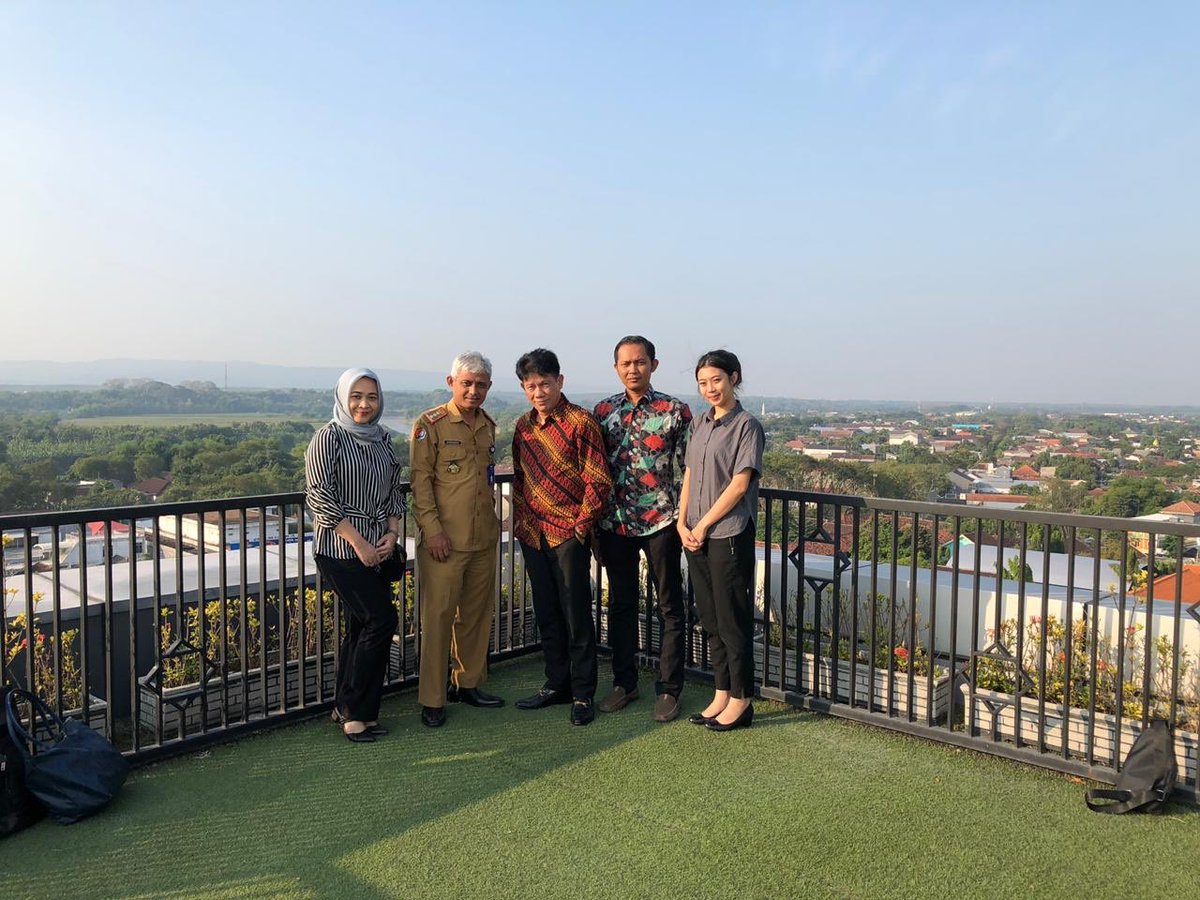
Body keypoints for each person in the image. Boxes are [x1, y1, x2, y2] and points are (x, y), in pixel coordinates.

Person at [511, 348, 613, 726]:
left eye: (545, 384)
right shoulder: (523, 427)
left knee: (575, 615)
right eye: (531, 386)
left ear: (560, 381)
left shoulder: (580, 423)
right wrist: (522, 521)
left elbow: (598, 479)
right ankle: (557, 684)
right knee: (547, 613)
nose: (539, 392)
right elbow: (520, 480)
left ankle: (583, 693)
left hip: (568, 534)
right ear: (524, 388)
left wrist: (580, 527)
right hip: (533, 533)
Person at [593, 336, 692, 723]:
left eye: (640, 362)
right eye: (625, 363)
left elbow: (687, 470)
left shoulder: (674, 411)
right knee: (620, 605)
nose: (633, 369)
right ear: (616, 367)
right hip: (614, 522)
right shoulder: (602, 411)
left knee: (670, 606)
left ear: (654, 364)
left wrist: (685, 521)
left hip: (663, 521)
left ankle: (669, 690)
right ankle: (624, 682)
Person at [305, 368, 404, 743]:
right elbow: (319, 496)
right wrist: (358, 543)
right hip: (339, 548)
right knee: (381, 619)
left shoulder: (382, 440)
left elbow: (394, 492)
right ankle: (356, 713)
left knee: (362, 626)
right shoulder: (327, 439)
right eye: (357, 396)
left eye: (372, 397)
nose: (364, 404)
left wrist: (392, 535)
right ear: (343, 397)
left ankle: (344, 706)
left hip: (379, 545)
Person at [410, 351, 504, 728]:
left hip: (483, 537)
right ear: (451, 383)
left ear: (489, 388)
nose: (474, 390)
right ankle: (432, 699)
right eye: (467, 383)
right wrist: (432, 531)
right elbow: (421, 483)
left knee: (476, 617)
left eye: (481, 384)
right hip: (443, 541)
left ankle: (467, 684)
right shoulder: (429, 423)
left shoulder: (487, 425)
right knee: (437, 619)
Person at [677, 350, 765, 732]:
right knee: (710, 618)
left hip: (728, 533)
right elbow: (691, 475)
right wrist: (682, 523)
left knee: (733, 620)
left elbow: (740, 484)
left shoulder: (747, 426)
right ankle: (721, 692)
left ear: (734, 378)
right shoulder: (700, 423)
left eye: (717, 380)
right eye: (703, 383)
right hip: (695, 535)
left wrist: (704, 523)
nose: (710, 388)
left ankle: (743, 700)